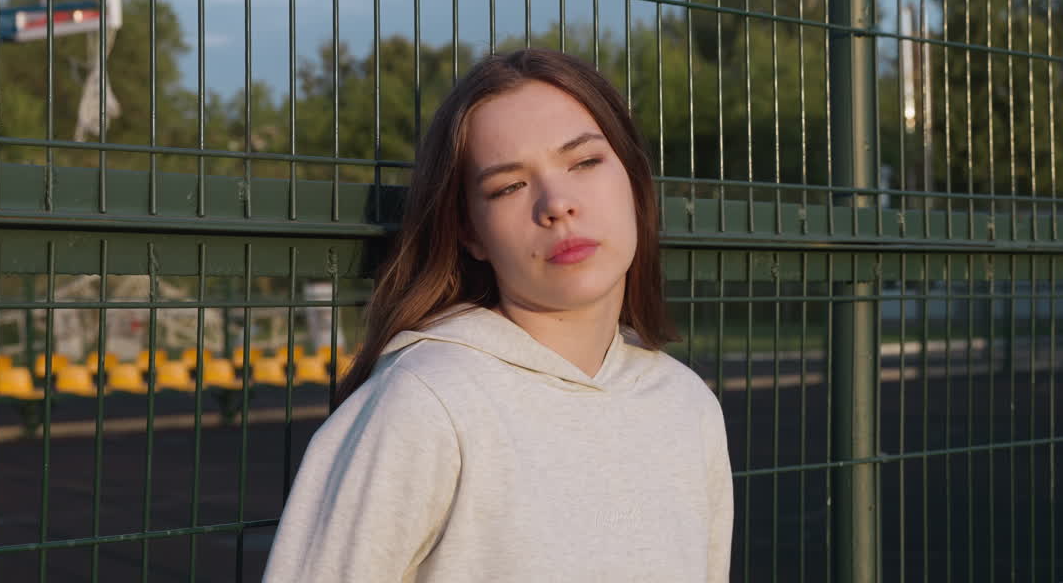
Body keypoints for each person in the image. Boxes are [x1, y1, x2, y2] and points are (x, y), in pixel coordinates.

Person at [263, 48, 734, 582]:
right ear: (471, 233)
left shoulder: (687, 405)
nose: (556, 203)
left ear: (633, 179)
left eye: (584, 162)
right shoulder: (425, 404)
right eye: (509, 186)